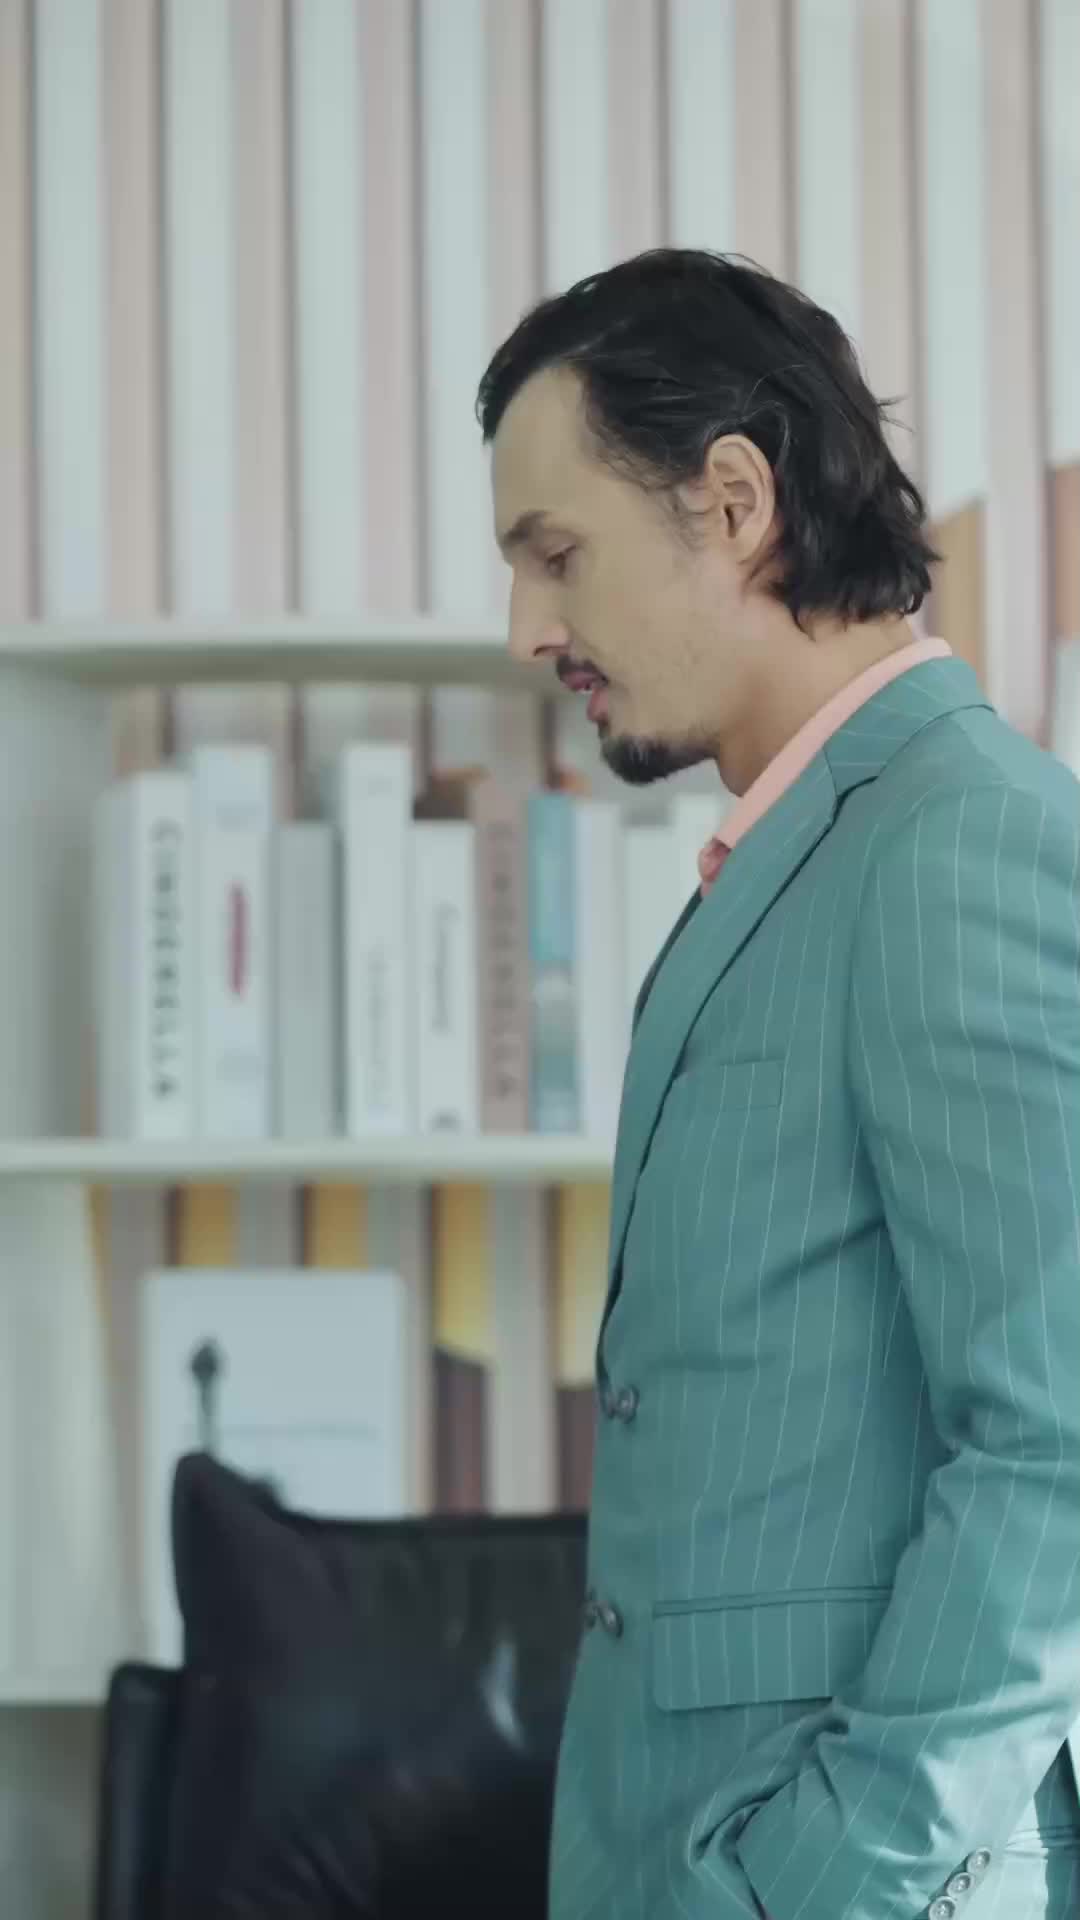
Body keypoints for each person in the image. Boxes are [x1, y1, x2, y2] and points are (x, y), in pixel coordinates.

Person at [477, 249, 1080, 1920]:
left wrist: (816, 1881)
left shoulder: (959, 845)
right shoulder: (811, 849)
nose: (529, 630)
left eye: (555, 555)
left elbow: (1061, 1449)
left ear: (735, 500)